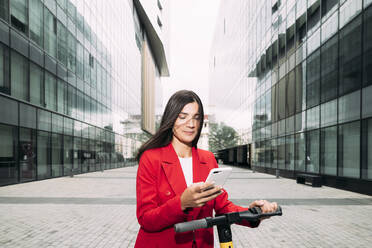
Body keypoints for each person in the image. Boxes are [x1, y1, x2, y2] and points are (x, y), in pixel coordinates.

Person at [135, 90, 277, 248]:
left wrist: (253, 213)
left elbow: (223, 207)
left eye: (196, 117)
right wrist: (181, 203)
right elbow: (146, 219)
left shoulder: (208, 159)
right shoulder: (151, 158)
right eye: (183, 117)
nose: (191, 124)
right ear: (171, 119)